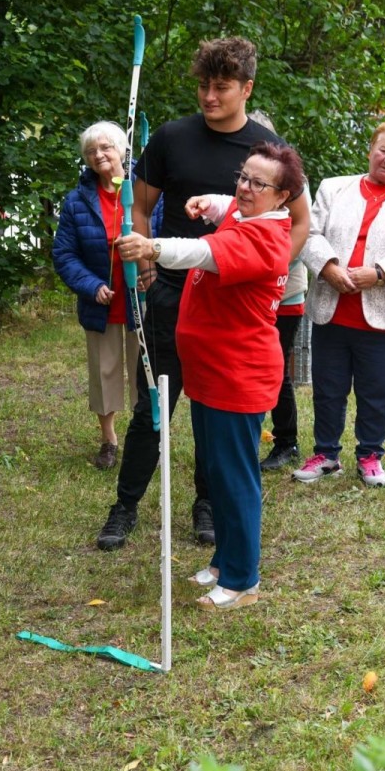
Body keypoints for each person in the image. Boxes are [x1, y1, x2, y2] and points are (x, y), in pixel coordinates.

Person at [95, 36, 310, 551]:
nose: (209, 96)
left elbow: (297, 223)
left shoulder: (266, 154)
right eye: (203, 86)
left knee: (217, 409)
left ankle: (207, 504)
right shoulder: (171, 138)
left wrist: (269, 270)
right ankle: (124, 507)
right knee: (155, 404)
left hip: (233, 307)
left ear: (247, 88)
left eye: (222, 87)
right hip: (172, 295)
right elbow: (140, 208)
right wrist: (145, 256)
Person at [115, 142, 304, 609]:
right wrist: (212, 202)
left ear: (282, 198)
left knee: (235, 477)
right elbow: (232, 210)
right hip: (211, 371)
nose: (243, 187)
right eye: (243, 176)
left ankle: (242, 580)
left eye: (258, 183)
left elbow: (202, 253)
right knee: (217, 472)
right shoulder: (248, 214)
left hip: (237, 376)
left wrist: (152, 246)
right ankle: (225, 559)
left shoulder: (265, 240)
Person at [292, 120, 385, 488]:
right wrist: (328, 267)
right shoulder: (333, 188)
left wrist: (380, 273)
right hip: (332, 305)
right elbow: (308, 233)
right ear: (370, 149)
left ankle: (370, 455)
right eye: (383, 150)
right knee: (328, 386)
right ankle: (326, 454)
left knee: (376, 390)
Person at [52, 122, 139, 470]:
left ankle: (145, 436)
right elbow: (64, 255)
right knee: (104, 371)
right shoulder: (76, 202)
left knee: (143, 371)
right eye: (91, 151)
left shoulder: (143, 191)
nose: (99, 155)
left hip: (140, 296)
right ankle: (109, 439)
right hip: (100, 300)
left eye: (105, 147)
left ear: (121, 149)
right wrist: (91, 285)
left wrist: (150, 270)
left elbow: (163, 236)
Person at [249, 111, 308, 471]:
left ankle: (287, 441)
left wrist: (268, 272)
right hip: (244, 294)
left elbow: (302, 232)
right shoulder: (244, 179)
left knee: (277, 368)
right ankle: (250, 434)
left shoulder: (292, 182)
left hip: (284, 295)